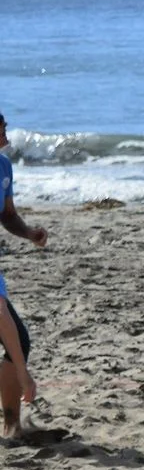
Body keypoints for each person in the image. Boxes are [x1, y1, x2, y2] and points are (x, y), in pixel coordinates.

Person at [0, 111, 51, 442]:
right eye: (1, 126)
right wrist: (25, 375)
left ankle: (12, 425)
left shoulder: (3, 166)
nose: (6, 130)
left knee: (17, 339)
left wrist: (29, 233)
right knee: (14, 339)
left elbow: (6, 214)